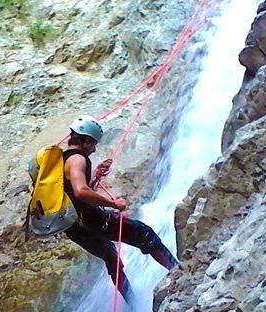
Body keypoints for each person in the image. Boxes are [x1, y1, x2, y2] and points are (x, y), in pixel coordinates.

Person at [63, 115, 179, 301]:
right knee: (144, 234)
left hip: (74, 228)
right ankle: (179, 273)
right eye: (93, 144)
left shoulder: (62, 160)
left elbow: (74, 189)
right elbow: (80, 191)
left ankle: (132, 305)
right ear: (85, 140)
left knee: (111, 258)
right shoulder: (77, 159)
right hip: (91, 219)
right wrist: (113, 204)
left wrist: (95, 177)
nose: (94, 149)